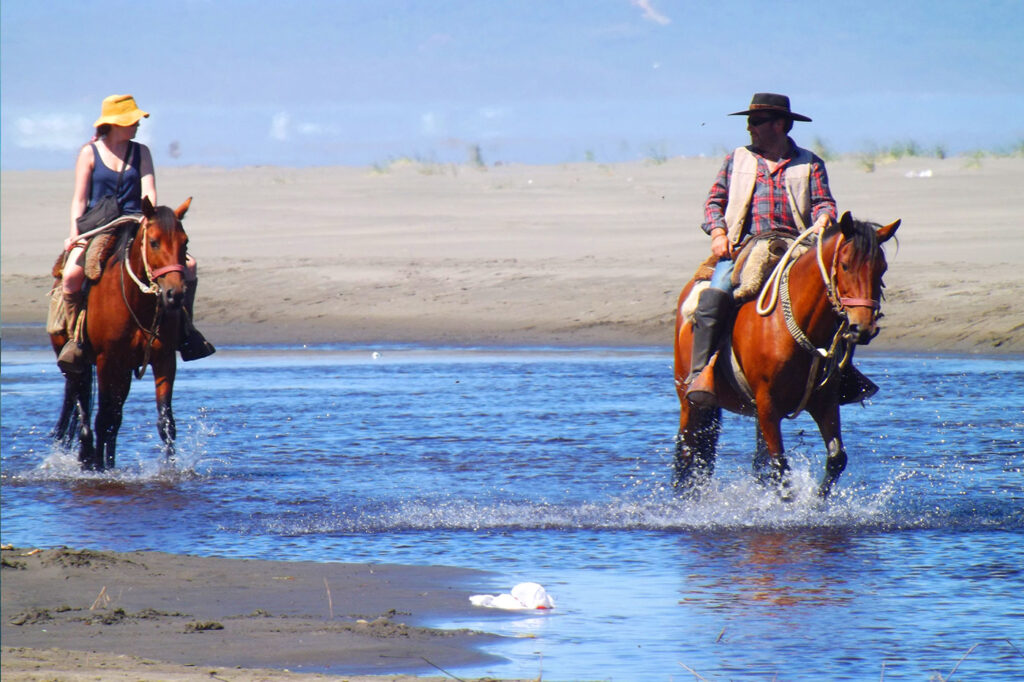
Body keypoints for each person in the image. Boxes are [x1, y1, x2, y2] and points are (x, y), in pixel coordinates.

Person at [684, 92, 876, 406]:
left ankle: (843, 373)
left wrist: (824, 217)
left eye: (757, 121)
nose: (750, 128)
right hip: (744, 246)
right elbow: (713, 202)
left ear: (781, 125)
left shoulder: (810, 162)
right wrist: (718, 233)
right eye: (749, 121)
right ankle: (701, 373)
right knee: (714, 295)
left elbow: (823, 202)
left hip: (797, 246)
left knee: (836, 302)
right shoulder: (736, 159)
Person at [59, 94, 214, 371]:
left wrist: (150, 221)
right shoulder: (89, 153)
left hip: (137, 220)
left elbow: (149, 192)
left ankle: (185, 329)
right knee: (71, 275)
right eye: (131, 121)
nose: (136, 125)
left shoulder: (141, 152)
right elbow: (79, 199)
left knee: (188, 265)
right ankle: (76, 338)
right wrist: (75, 235)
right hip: (98, 226)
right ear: (114, 123)